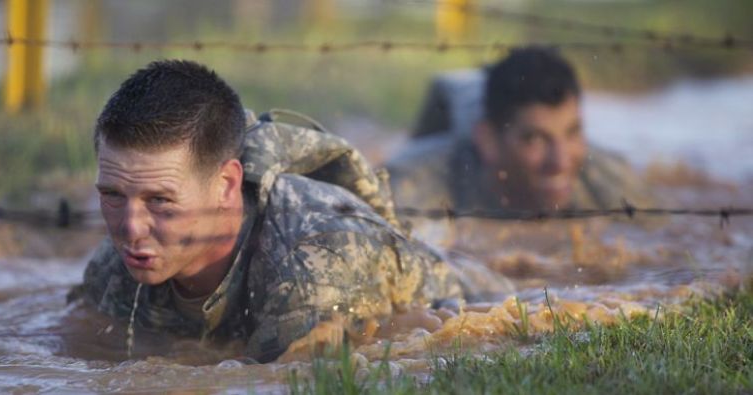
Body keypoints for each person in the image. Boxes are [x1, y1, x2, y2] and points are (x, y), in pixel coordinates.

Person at [67, 60, 513, 363]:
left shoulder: (312, 264)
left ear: (225, 185)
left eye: (159, 201)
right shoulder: (118, 261)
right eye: (112, 195)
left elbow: (282, 381)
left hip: (483, 295)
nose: (129, 227)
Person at [386, 47, 654, 243]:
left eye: (573, 133)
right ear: (488, 140)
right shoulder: (410, 187)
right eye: (535, 139)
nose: (560, 162)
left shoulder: (608, 177)